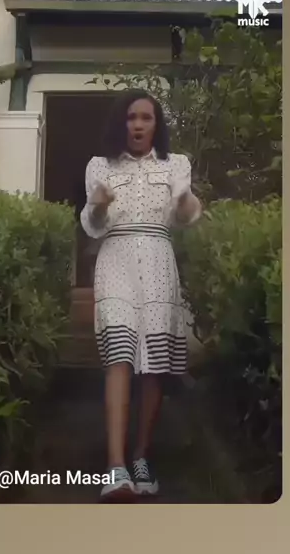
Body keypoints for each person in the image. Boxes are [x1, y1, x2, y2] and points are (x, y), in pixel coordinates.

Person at [80, 89, 202, 502]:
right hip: (115, 261)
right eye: (131, 117)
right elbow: (94, 223)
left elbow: (185, 217)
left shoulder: (176, 164)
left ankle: (141, 457)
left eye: (146, 118)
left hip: (157, 262)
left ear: (156, 124)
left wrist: (185, 201)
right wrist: (99, 205)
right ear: (121, 122)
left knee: (155, 365)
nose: (137, 125)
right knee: (119, 355)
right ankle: (116, 468)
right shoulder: (100, 165)